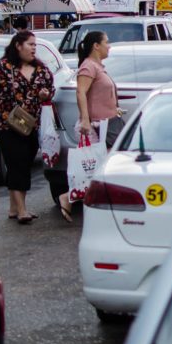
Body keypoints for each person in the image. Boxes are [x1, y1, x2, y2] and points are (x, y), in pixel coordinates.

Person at [0, 31, 55, 224]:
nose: (33, 48)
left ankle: (13, 207)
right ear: (18, 46)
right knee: (17, 162)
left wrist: (46, 94)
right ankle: (22, 210)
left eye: (35, 45)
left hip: (31, 124)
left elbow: (50, 88)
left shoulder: (40, 69)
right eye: (30, 44)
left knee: (25, 160)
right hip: (6, 125)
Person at [60, 31, 121, 222]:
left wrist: (114, 108)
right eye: (107, 42)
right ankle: (69, 197)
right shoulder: (88, 66)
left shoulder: (97, 66)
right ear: (96, 46)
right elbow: (81, 92)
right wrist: (85, 120)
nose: (109, 46)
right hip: (97, 126)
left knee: (106, 167)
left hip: (109, 122)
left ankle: (101, 204)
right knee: (100, 167)